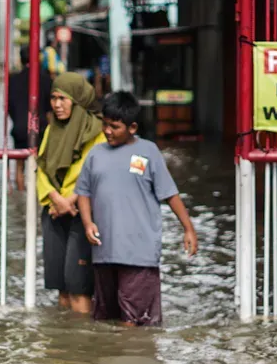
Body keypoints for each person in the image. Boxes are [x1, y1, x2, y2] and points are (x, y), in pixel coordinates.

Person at [75, 92, 197, 327]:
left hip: (139, 254)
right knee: (105, 320)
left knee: (134, 323)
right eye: (105, 124)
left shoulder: (148, 151)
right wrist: (88, 223)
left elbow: (170, 193)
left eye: (115, 126)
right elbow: (83, 193)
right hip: (104, 252)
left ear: (132, 127)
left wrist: (188, 228)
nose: (107, 130)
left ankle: (133, 363)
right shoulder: (95, 154)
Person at [36, 73, 105, 314]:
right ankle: (64, 347)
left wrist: (69, 201)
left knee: (79, 288)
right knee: (62, 289)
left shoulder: (96, 133)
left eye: (63, 99)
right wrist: (55, 199)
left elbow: (90, 171)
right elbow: (41, 168)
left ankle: (82, 346)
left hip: (81, 214)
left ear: (77, 100)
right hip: (55, 212)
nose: (57, 104)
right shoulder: (51, 130)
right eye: (53, 98)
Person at [7, 44, 53, 191]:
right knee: (40, 167)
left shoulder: (13, 80)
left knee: (19, 167)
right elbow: (49, 108)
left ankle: (21, 199)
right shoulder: (45, 79)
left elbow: (9, 107)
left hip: (19, 127)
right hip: (40, 128)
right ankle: (36, 199)